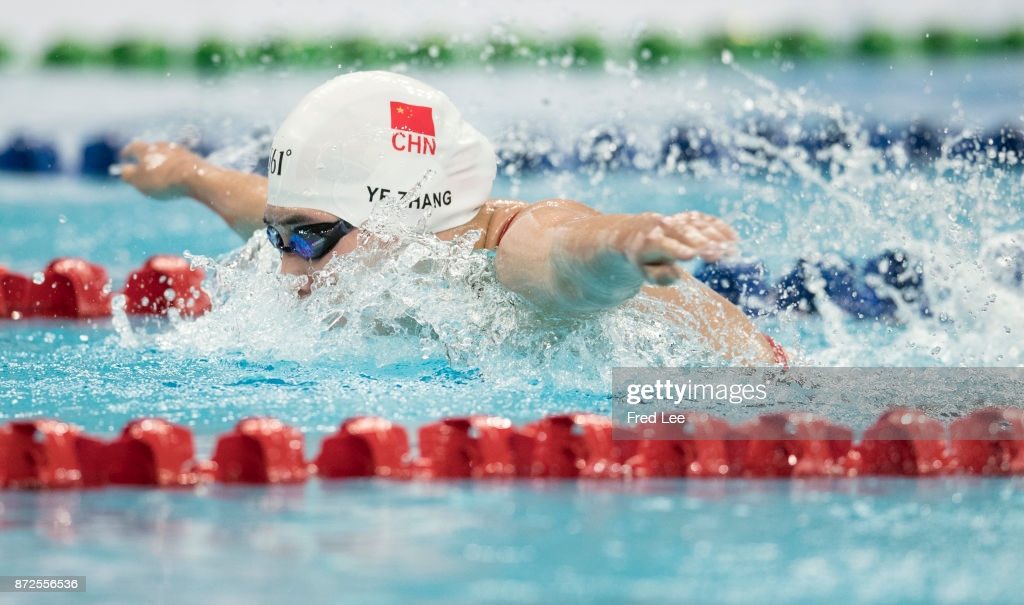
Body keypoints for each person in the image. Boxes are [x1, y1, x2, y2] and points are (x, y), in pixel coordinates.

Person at [120, 71, 785, 364]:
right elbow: (248, 199)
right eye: (277, 234)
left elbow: (572, 252)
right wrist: (179, 171)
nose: (286, 265)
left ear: (401, 217)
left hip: (753, 405)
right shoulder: (331, 236)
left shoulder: (512, 252)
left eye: (307, 240)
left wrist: (632, 241)